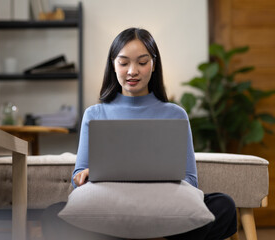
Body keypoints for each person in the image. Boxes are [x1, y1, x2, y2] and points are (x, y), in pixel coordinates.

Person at [42, 27, 237, 240]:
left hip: (164, 204)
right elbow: (76, 178)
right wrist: (85, 176)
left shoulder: (175, 114)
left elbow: (190, 180)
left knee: (223, 205)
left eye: (142, 62)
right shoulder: (95, 114)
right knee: (53, 214)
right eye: (124, 63)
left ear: (153, 65)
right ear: (113, 64)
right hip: (113, 204)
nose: (132, 71)